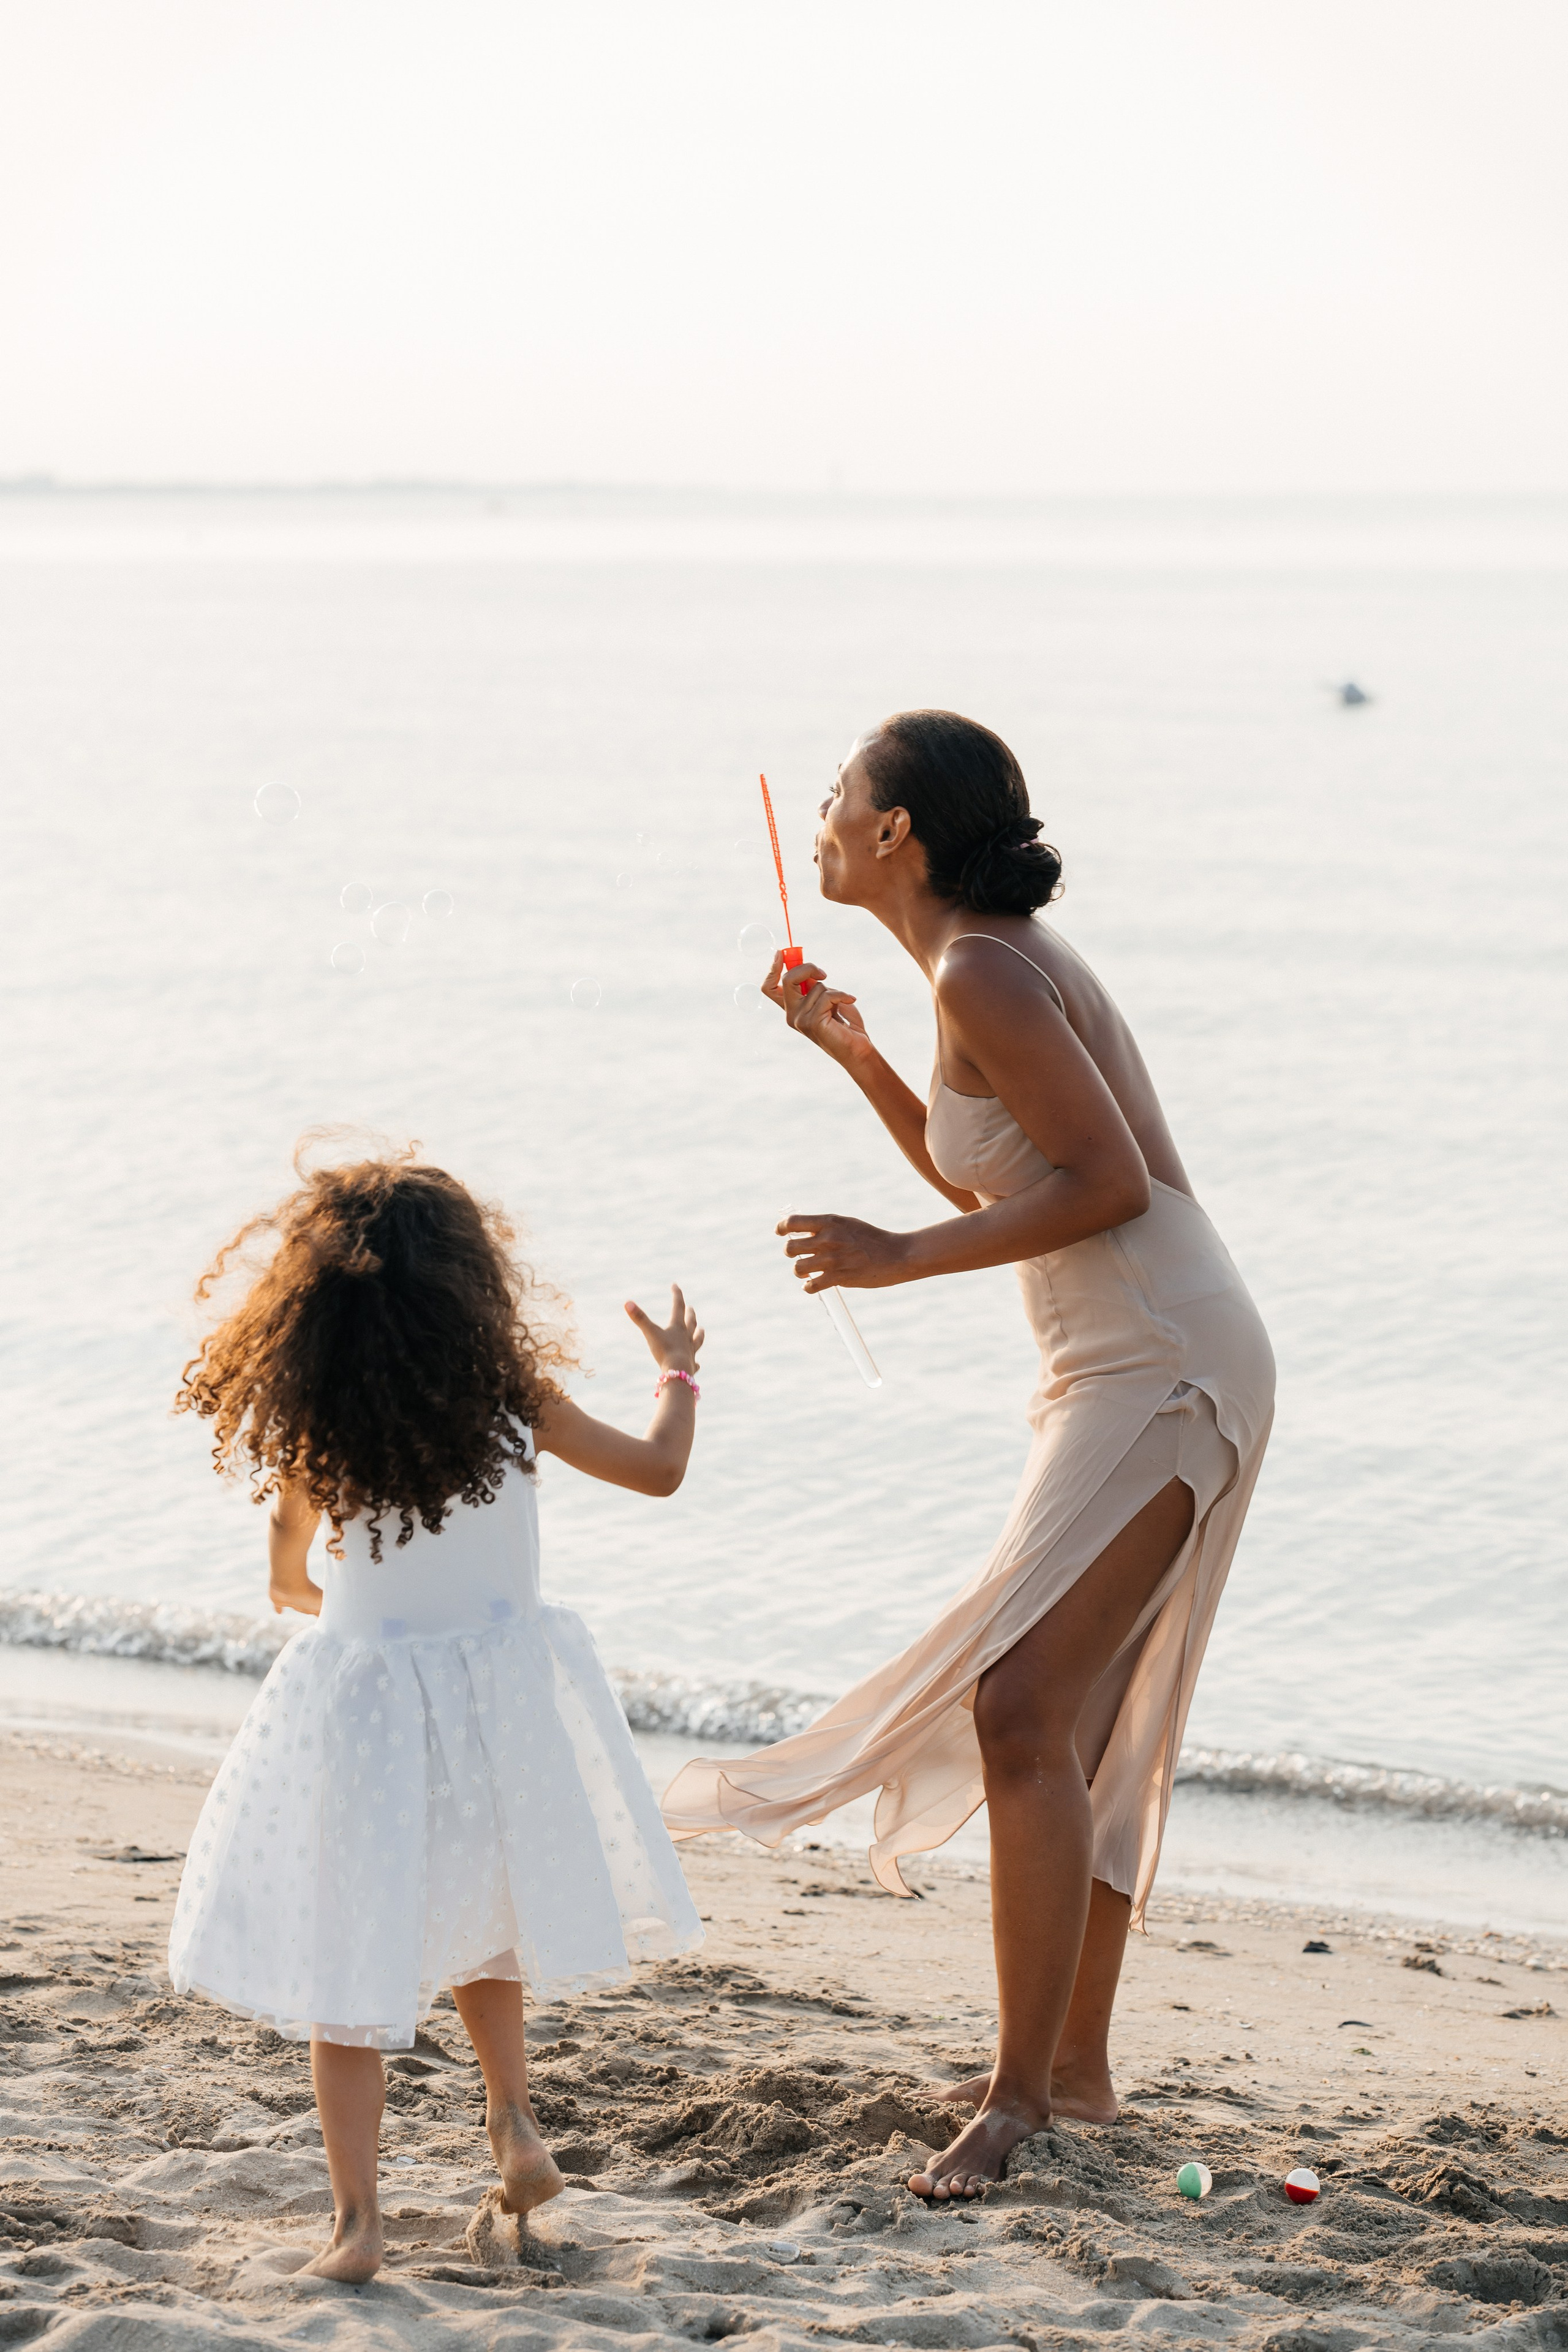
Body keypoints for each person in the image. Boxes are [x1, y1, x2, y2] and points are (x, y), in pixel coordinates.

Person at [662, 711, 1273, 2200]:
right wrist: (859, 1057)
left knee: (1022, 1707)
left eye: (837, 797)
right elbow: (997, 1157)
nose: (817, 815)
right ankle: (1066, 2070)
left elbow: (1107, 1182)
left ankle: (1017, 2098)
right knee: (1067, 1722)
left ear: (894, 836)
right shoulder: (965, 971)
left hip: (1160, 1360)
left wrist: (897, 1259)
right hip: (1138, 1354)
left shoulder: (985, 965)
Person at [167, 1143, 704, 2280]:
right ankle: (513, 2121)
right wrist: (677, 1374)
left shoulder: (327, 1433)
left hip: (365, 1716)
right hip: (497, 1711)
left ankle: (358, 2226)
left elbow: (289, 1577)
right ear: (473, 1286)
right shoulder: (517, 1402)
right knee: (485, 1922)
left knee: (347, 1969)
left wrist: (341, 1612)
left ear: (315, 1311)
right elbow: (659, 1472)